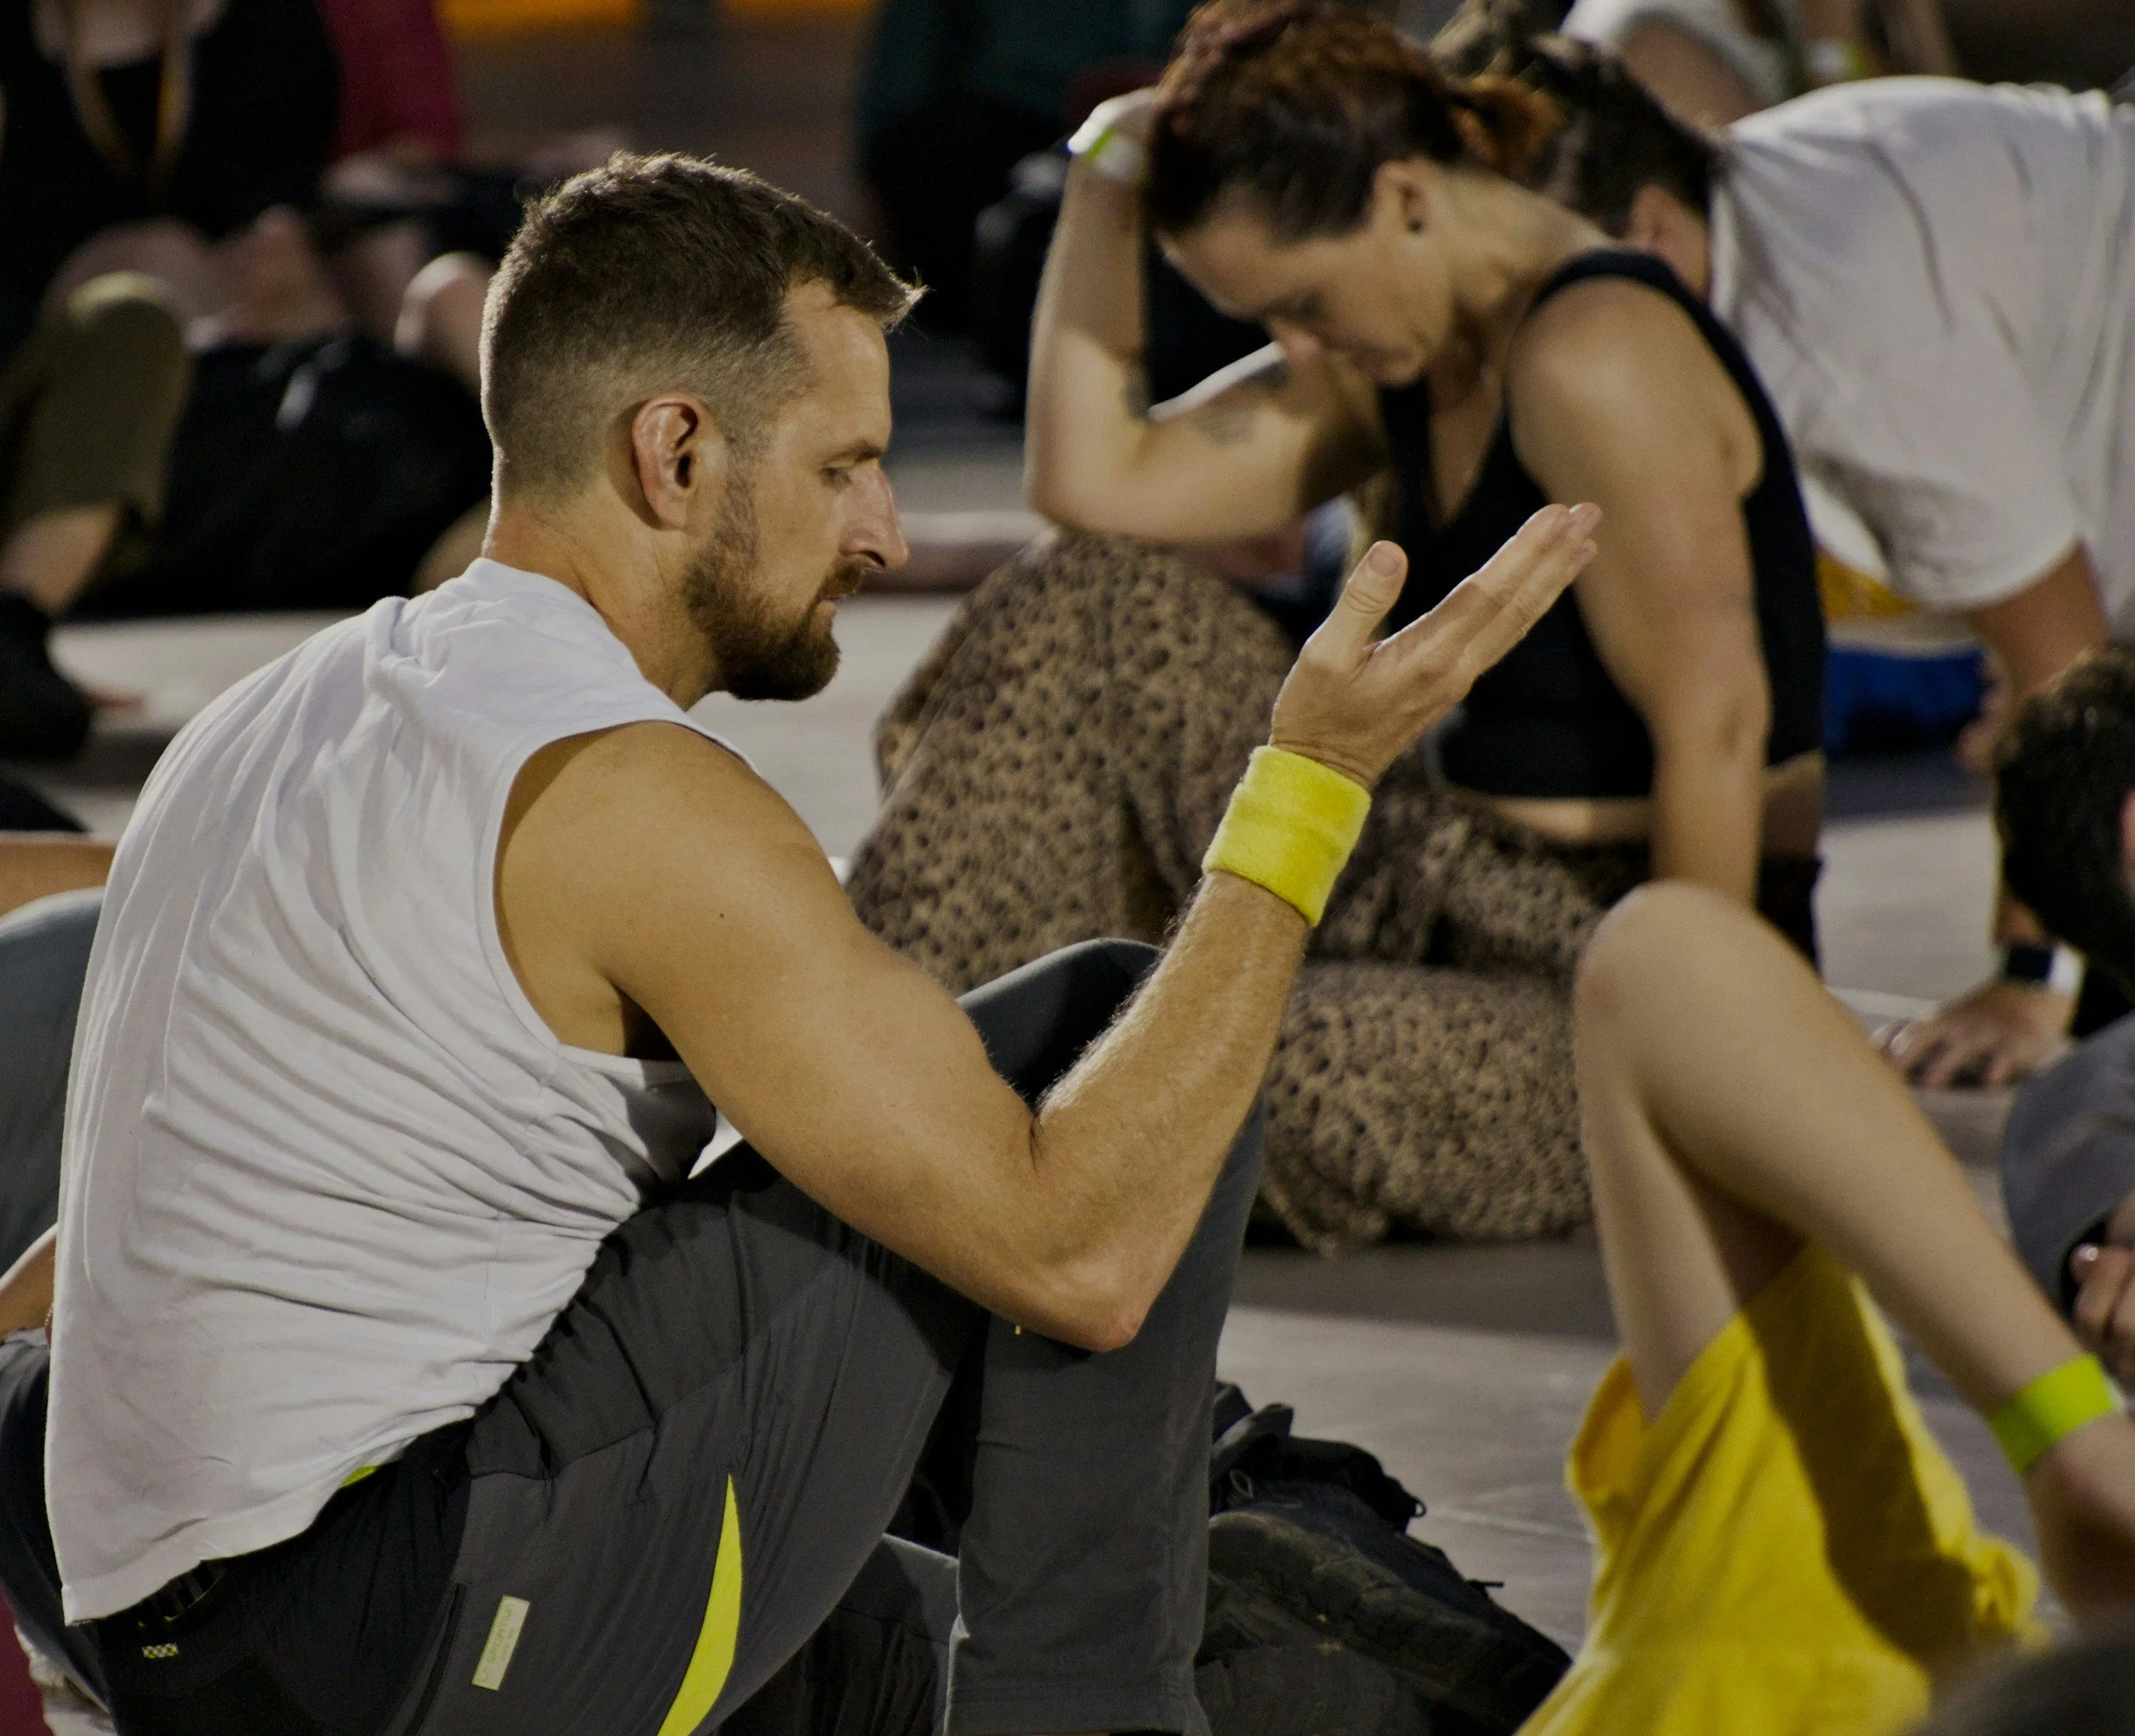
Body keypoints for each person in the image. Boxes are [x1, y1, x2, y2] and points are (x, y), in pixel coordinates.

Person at [0, 150, 1600, 1732]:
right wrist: (1305, 788)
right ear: (676, 452)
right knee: (1113, 1031)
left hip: (155, 1617)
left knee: (1093, 1655)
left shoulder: (276, 715)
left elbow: (113, 1249)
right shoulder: (637, 795)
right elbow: (1086, 1262)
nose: (889, 532)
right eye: (846, 466)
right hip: (400, 1635)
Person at [847, 0, 1826, 1254]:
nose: (1293, 347)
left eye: (1302, 302)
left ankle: (938, 1147)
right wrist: (1106, 177)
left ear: (1406, 196)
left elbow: (1722, 723)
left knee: (1172, 1073)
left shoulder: (1598, 348)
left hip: (1609, 965)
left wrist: (1709, 1091)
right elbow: (1098, 484)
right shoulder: (1413, 344)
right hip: (1429, 869)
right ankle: (883, 1078)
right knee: (1086, 602)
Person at [1430, 19, 2135, 1086]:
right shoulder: (1740, 234)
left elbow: (2066, 671)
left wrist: (2031, 977)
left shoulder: (1852, 336)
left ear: (1652, 233)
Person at [1493, 876, 2135, 1733]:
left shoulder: (1855, 1640)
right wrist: (2073, 1439)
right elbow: (1672, 968)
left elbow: (1668, 964)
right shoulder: (1891, 1633)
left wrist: (2072, 1432)